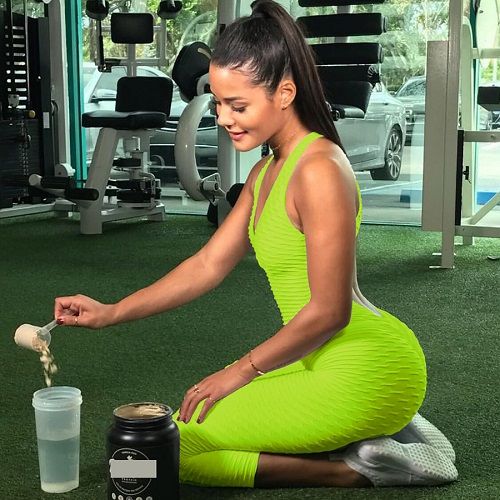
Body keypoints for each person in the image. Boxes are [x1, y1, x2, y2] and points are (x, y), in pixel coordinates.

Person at [55, 0, 458, 489]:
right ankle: (361, 438)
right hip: (314, 358)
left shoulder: (320, 170)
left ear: (284, 92)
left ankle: (355, 469)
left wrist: (241, 371)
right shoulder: (266, 171)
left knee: (172, 454)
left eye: (238, 105)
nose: (224, 118)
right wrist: (111, 312)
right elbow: (207, 264)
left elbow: (331, 312)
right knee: (176, 429)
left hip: (366, 366)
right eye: (219, 104)